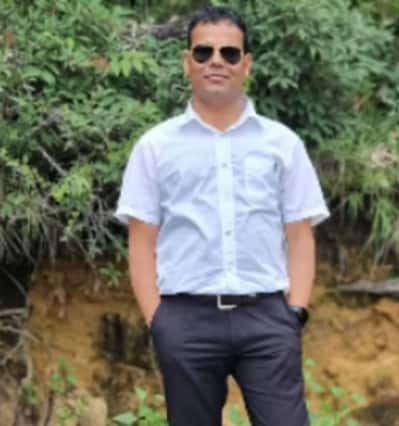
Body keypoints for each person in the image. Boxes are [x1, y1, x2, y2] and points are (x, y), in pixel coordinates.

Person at [115, 6, 329, 426]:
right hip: (185, 321)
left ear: (246, 65)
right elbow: (141, 242)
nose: (216, 61)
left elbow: (299, 235)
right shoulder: (155, 147)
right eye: (204, 52)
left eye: (229, 53)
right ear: (187, 63)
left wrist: (295, 313)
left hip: (267, 319)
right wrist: (160, 321)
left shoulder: (282, 144)